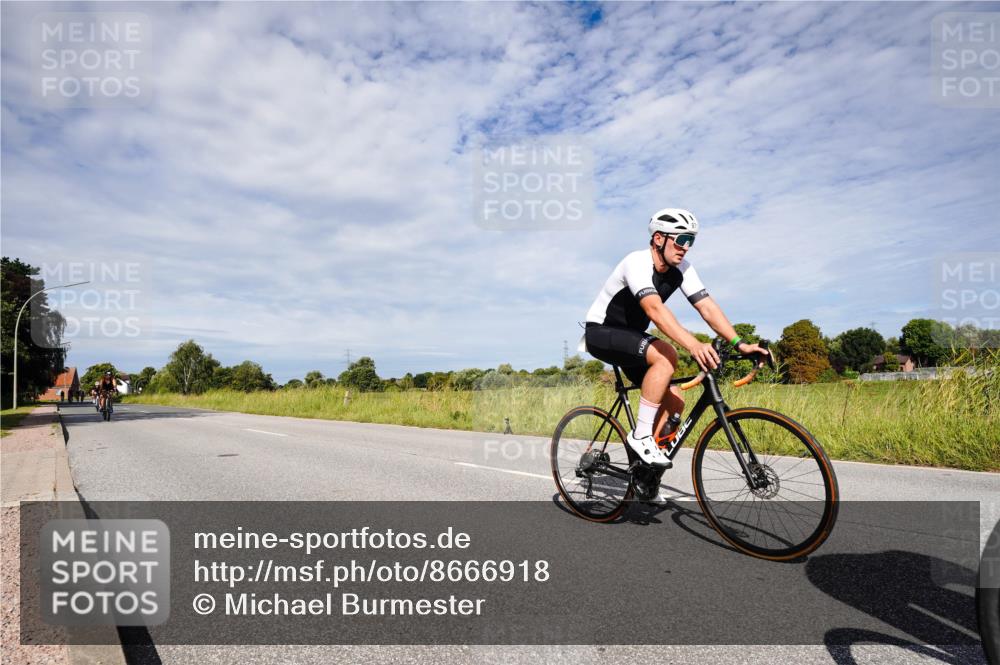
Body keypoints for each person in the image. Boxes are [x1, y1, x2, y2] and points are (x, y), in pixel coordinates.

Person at [584, 207, 770, 472]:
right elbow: (655, 310)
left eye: (691, 241)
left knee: (674, 402)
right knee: (666, 354)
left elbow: (707, 307)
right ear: (659, 238)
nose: (686, 247)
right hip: (602, 332)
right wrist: (693, 345)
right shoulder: (636, 262)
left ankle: (646, 476)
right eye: (681, 239)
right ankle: (640, 436)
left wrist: (739, 343)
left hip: (633, 338)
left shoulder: (683, 268)